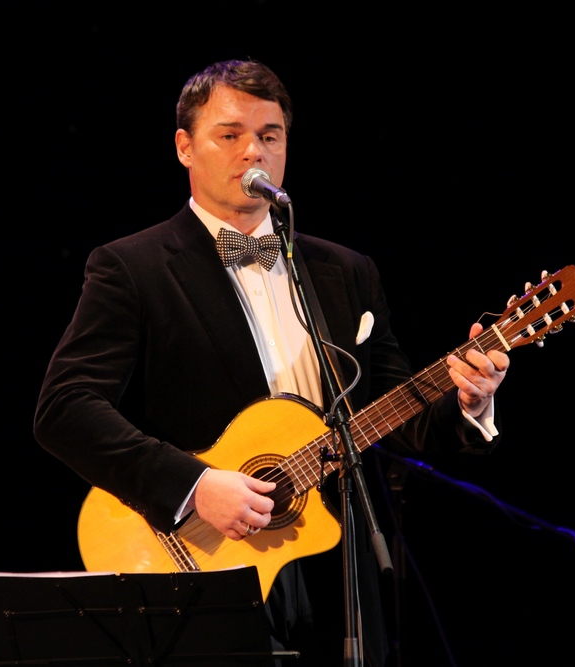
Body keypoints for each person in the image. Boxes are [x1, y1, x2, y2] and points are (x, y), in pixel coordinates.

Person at [33, 58, 509, 667]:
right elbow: (65, 409)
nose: (253, 151)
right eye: (229, 134)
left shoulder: (346, 271)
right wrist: (195, 487)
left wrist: (468, 400)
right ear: (184, 147)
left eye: (269, 135)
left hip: (338, 568)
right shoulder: (133, 267)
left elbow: (396, 414)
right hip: (206, 561)